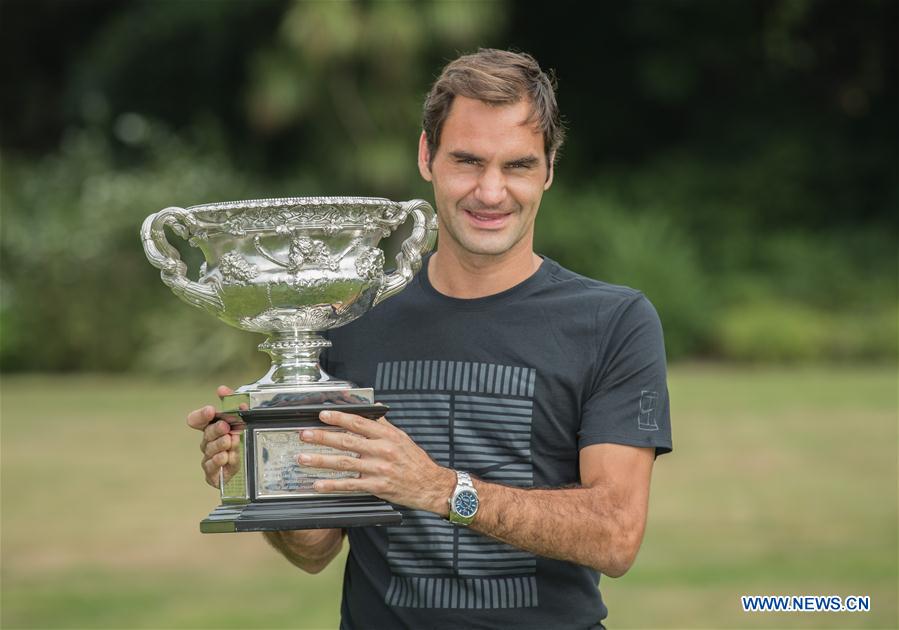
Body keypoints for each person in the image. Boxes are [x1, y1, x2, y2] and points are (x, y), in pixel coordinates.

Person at [187, 48, 672, 629]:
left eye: (516, 165)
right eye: (468, 161)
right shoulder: (349, 317)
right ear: (427, 156)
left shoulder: (612, 322)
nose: (491, 192)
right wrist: (265, 469)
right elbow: (314, 548)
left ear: (549, 168)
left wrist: (440, 489)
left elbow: (616, 535)